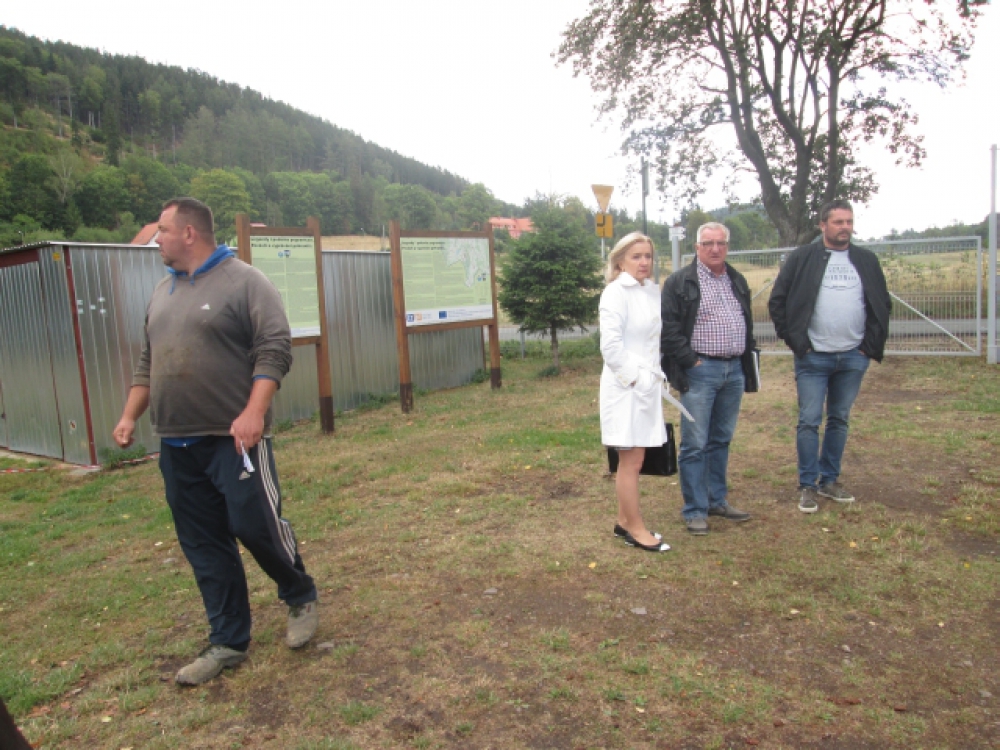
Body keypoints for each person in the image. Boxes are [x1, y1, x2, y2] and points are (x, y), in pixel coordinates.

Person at [113, 198, 319, 685]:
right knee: (203, 542)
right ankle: (228, 640)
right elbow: (148, 363)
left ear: (189, 233)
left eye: (163, 230)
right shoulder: (162, 291)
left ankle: (299, 594)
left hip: (235, 438)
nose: (156, 239)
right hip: (177, 442)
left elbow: (274, 348)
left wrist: (254, 412)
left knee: (255, 524)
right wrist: (128, 416)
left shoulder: (244, 282)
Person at [768, 199, 890, 513]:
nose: (844, 227)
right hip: (813, 358)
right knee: (809, 421)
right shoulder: (802, 258)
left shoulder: (865, 260)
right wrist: (798, 343)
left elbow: (881, 303)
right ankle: (808, 484)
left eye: (848, 221)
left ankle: (830, 480)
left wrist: (868, 347)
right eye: (838, 222)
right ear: (823, 225)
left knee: (839, 419)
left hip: (853, 357)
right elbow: (778, 301)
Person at [660, 222, 755, 535]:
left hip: (734, 370)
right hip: (701, 371)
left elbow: (746, 320)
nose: (715, 249)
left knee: (721, 439)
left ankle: (716, 500)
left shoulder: (736, 279)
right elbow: (669, 329)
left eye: (721, 243)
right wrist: (691, 362)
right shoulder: (679, 282)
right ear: (697, 247)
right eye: (708, 243)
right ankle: (695, 509)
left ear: (727, 246)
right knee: (695, 443)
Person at [599, 232, 671, 553]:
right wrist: (636, 380)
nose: (644, 262)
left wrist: (652, 379)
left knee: (636, 458)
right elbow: (611, 347)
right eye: (636, 256)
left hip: (646, 386)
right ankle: (636, 528)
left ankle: (623, 520)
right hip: (626, 388)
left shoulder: (648, 291)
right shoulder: (616, 293)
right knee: (631, 460)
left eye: (648, 256)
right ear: (620, 261)